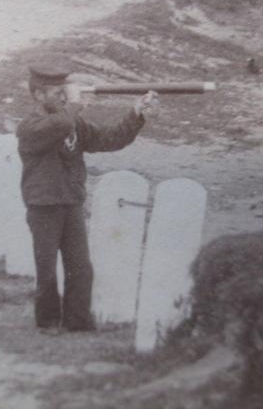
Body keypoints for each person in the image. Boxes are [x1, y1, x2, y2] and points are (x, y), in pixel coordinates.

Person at [16, 62, 158, 334]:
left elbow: (108, 139)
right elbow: (56, 127)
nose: (63, 96)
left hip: (71, 203)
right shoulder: (29, 127)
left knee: (80, 269)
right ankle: (47, 322)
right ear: (38, 95)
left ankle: (77, 323)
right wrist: (75, 104)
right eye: (57, 91)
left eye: (65, 91)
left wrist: (137, 113)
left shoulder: (72, 123)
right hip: (43, 206)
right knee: (46, 271)